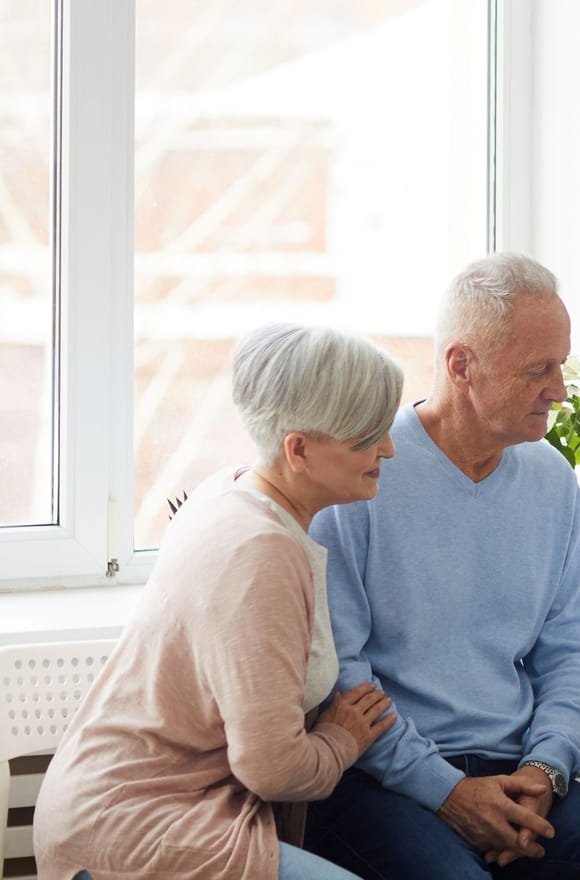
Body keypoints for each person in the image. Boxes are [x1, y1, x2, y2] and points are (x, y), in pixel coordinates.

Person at [304, 253, 580, 880]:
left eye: (562, 366)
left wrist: (545, 770)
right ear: (462, 365)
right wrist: (446, 792)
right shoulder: (362, 474)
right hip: (382, 780)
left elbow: (570, 648)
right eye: (538, 369)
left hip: (517, 769)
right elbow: (341, 674)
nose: (561, 390)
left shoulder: (551, 482)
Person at [32, 324, 405, 880]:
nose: (389, 449)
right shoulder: (261, 552)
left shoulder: (229, 488)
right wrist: (341, 740)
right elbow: (272, 769)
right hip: (134, 825)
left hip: (131, 802)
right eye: (365, 437)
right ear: (297, 449)